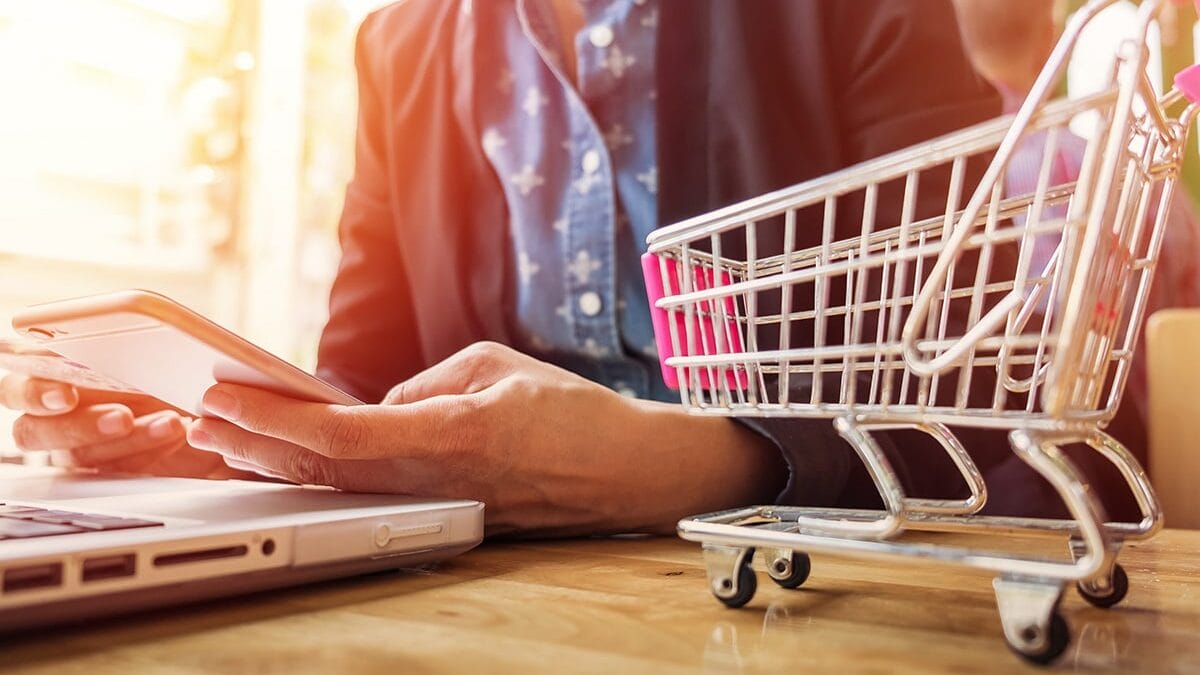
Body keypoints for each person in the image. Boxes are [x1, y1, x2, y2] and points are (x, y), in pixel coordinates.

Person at [2, 1, 1005, 537]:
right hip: (490, 591)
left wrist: (710, 464)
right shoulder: (397, 43)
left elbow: (983, 379)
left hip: (795, 570)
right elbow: (366, 377)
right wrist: (231, 440)